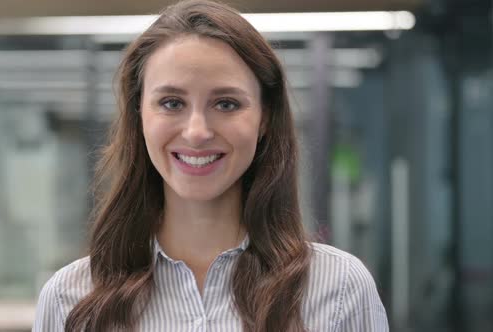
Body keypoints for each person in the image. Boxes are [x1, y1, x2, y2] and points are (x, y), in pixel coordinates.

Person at [33, 0, 388, 331]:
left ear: (265, 117)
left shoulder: (339, 290)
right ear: (139, 113)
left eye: (227, 104)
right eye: (172, 103)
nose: (197, 132)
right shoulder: (72, 300)